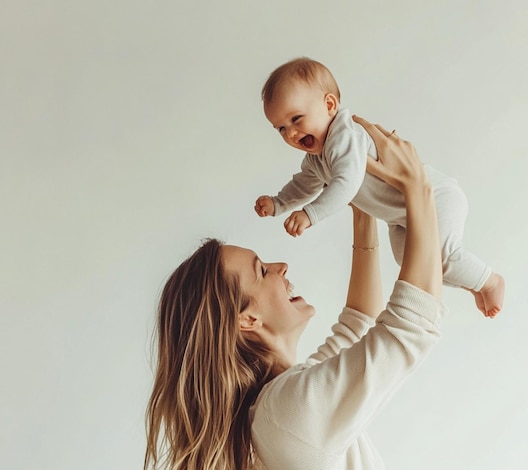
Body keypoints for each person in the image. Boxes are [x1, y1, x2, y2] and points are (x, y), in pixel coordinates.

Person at [144, 116, 446, 470]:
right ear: (247, 319)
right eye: (261, 270)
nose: (280, 266)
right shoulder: (286, 414)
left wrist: (362, 208)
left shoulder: (277, 407)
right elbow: (411, 327)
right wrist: (418, 189)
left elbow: (358, 326)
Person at [254, 57, 504, 317]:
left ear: (329, 105)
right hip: (400, 217)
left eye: (296, 119)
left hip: (436, 197)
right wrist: (279, 203)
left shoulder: (345, 137)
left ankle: (490, 281)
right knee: (412, 263)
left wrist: (310, 214)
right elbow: (303, 184)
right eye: (281, 128)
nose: (291, 133)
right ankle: (473, 283)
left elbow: (346, 183)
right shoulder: (317, 158)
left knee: (440, 256)